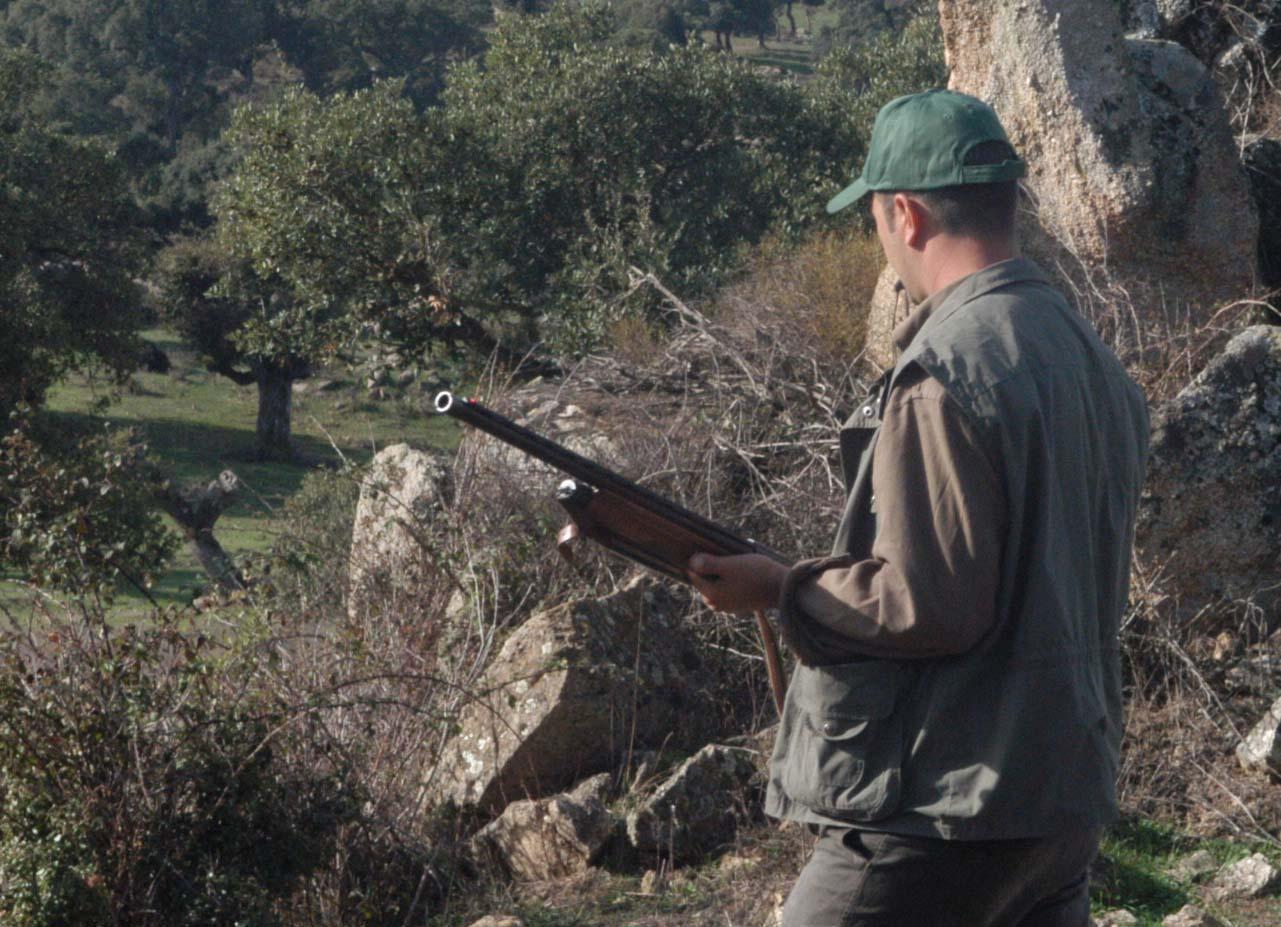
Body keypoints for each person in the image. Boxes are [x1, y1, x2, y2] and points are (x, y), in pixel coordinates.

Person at [687, 89, 1150, 926]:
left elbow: (928, 603)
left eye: (874, 217)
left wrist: (781, 588)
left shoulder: (947, 369)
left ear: (904, 214)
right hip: (1059, 795)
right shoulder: (1085, 353)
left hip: (947, 803)